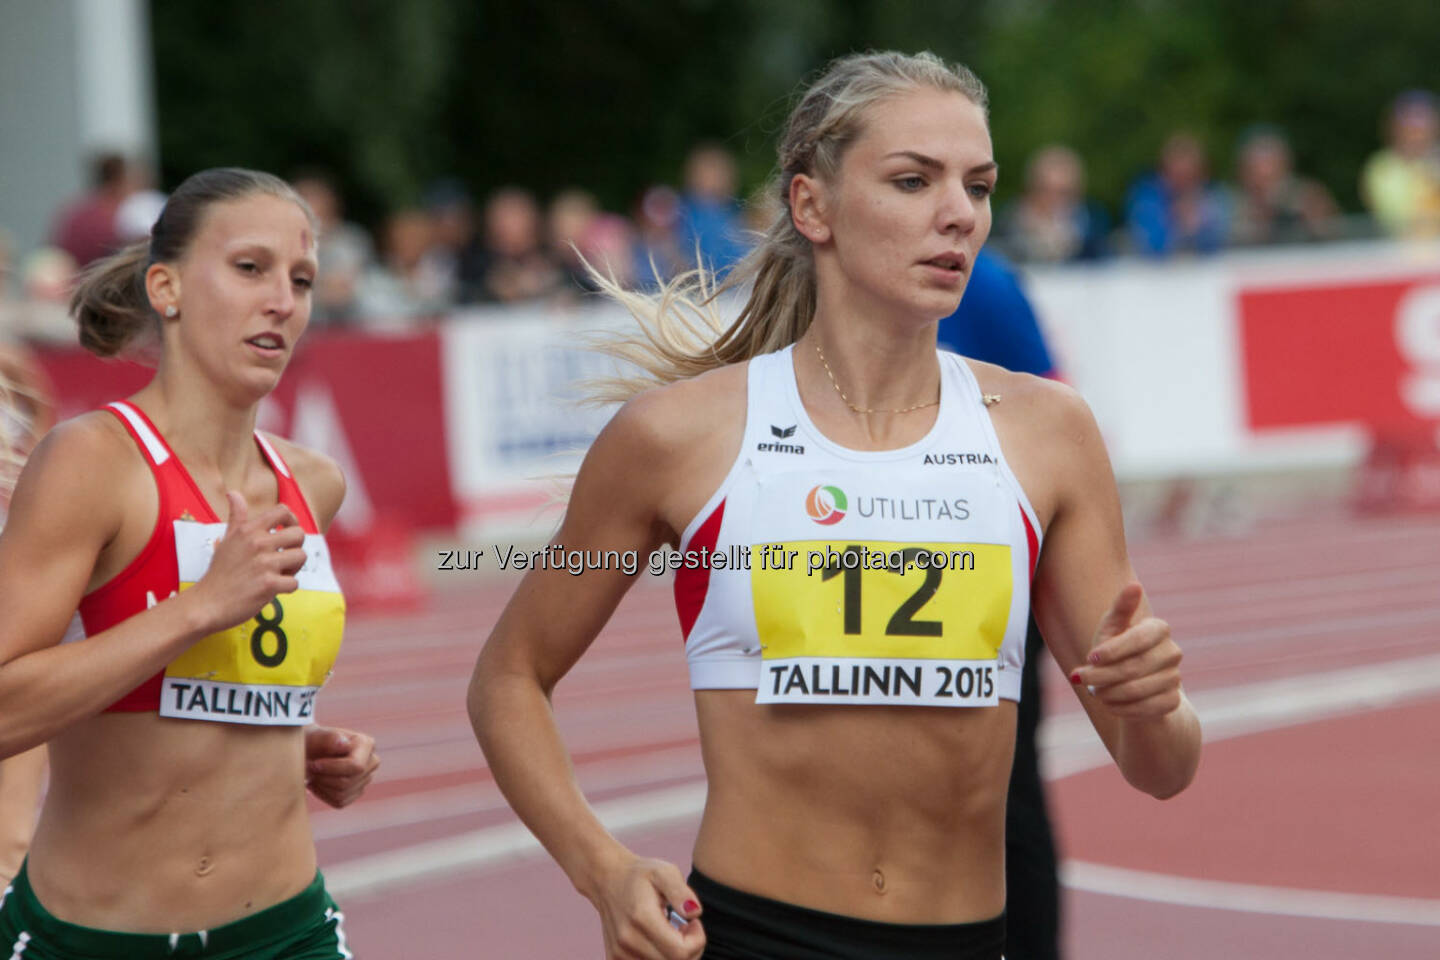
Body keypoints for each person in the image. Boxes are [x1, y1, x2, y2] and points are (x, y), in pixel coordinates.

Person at [469, 51, 1200, 960]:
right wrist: (602, 867)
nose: (958, 214)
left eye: (978, 186)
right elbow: (508, 677)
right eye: (912, 180)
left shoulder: (1047, 435)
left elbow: (1159, 769)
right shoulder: (678, 437)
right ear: (812, 206)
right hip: (750, 937)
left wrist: (1155, 707)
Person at [0, 167, 379, 957]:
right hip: (96, 939)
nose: (282, 300)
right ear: (165, 288)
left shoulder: (314, 483)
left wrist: (292, 750)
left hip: (288, 930)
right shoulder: (92, 463)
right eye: (250, 268)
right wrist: (200, 607)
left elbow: (212, 689)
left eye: (301, 279)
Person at [939, 249, 1061, 960]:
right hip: (863, 573)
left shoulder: (985, 285)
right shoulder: (818, 298)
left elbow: (1050, 409)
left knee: (1008, 798)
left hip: (990, 572)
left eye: (974, 186)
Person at [1125, 132, 1229, 256]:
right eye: (1177, 174)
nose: (1183, 183)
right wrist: (1177, 223)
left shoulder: (1216, 197)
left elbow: (1223, 243)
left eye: (1190, 176)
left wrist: (1201, 230)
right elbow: (1150, 245)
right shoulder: (1146, 199)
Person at [1361, 89, 1440, 239]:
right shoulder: (1381, 167)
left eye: (1422, 129)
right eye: (1412, 129)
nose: (1417, 135)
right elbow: (1396, 221)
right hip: (1400, 257)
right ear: (1396, 128)